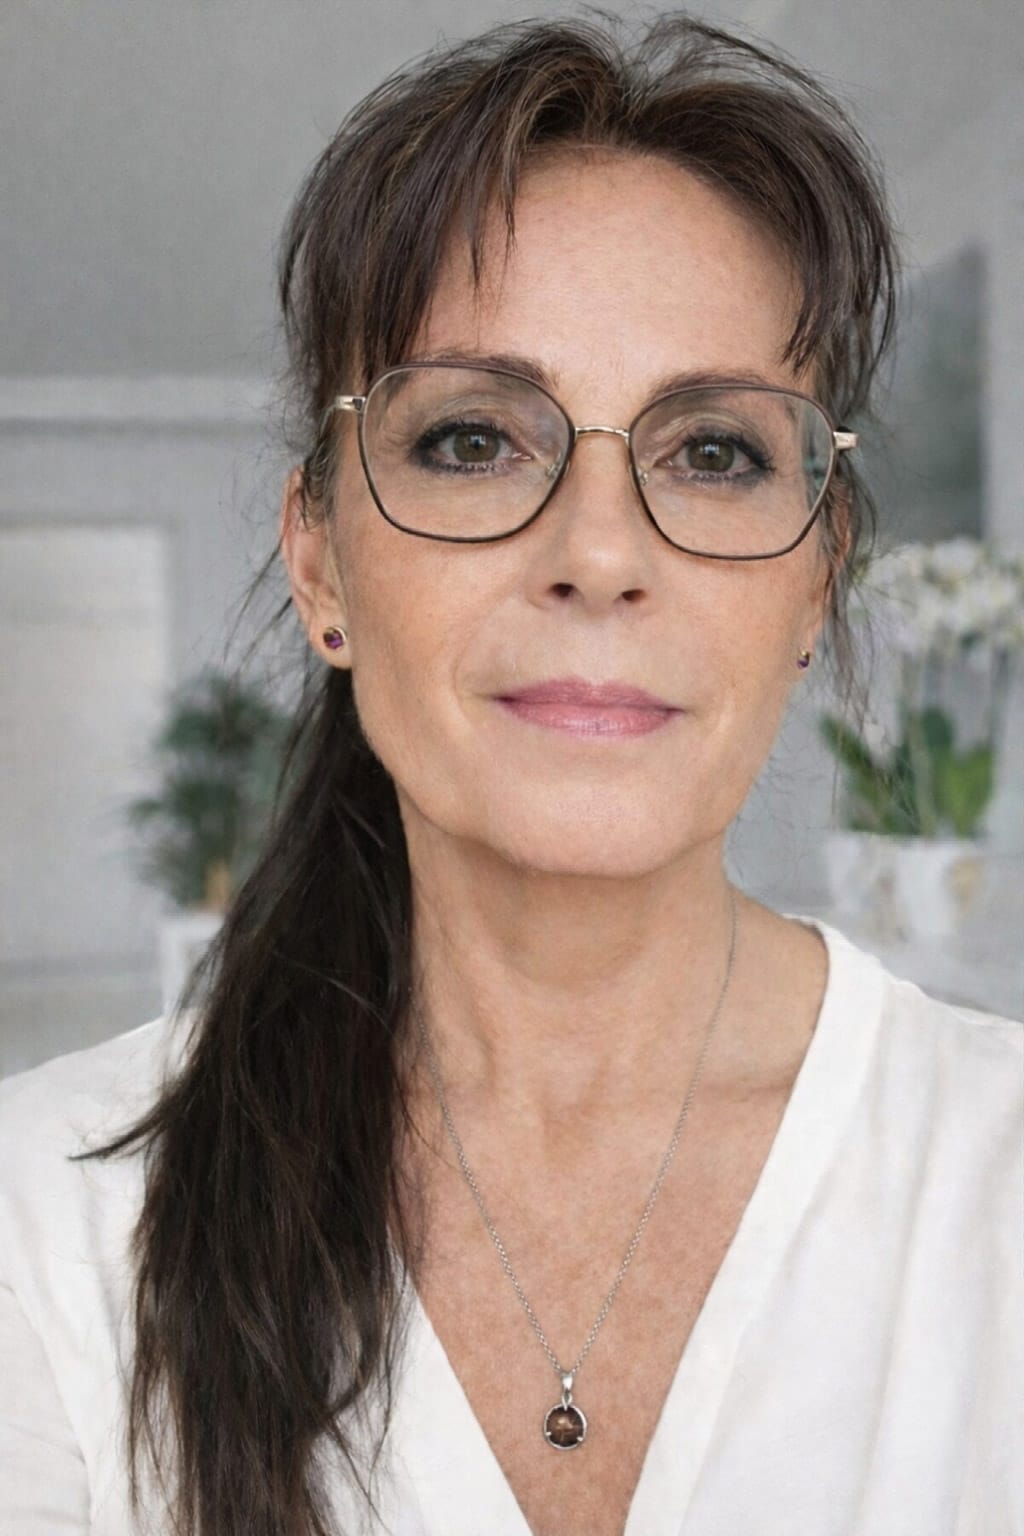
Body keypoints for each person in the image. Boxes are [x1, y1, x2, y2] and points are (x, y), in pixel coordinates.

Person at [0, 13, 1020, 1536]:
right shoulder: (45, 1222)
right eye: (474, 439)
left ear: (819, 579)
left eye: (716, 453)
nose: (599, 553)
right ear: (322, 560)